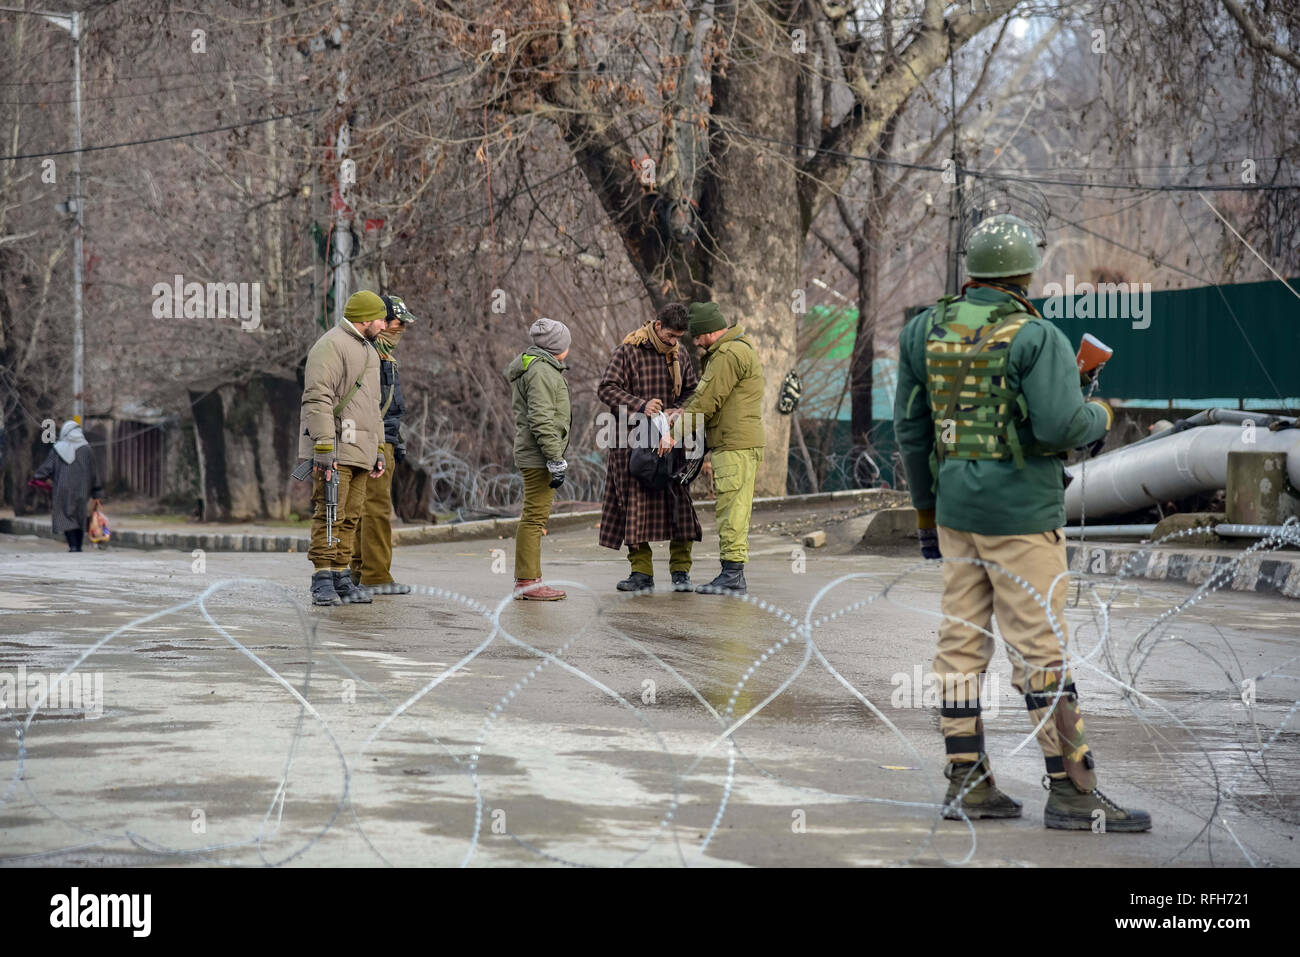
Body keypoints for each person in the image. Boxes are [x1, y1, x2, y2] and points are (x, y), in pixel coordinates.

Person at [893, 213, 1151, 832]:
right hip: (1023, 516)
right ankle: (1073, 791)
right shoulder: (1037, 337)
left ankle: (968, 783)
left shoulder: (923, 330)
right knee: (1041, 650)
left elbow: (911, 428)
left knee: (958, 646)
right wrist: (1098, 410)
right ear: (1024, 274)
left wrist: (928, 516)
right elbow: (1060, 427)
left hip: (956, 512)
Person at [597, 303, 702, 592]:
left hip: (672, 440)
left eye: (678, 337)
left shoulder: (679, 354)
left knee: (679, 505)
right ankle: (641, 573)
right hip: (632, 442)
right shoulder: (628, 351)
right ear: (657, 326)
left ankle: (681, 572)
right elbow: (606, 388)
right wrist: (641, 405)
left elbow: (693, 391)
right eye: (670, 335)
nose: (673, 342)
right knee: (636, 507)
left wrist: (676, 411)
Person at [663, 301, 764, 595]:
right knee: (736, 508)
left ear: (708, 332)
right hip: (740, 442)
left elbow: (706, 401)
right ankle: (733, 573)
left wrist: (672, 434)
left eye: (696, 336)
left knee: (731, 509)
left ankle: (732, 575)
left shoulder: (728, 355)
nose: (694, 342)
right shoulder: (736, 349)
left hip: (734, 444)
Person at [299, 290, 388, 606]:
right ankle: (321, 577)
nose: (385, 324)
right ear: (365, 318)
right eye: (380, 318)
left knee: (351, 516)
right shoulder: (331, 345)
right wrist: (324, 446)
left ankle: (340, 575)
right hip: (335, 447)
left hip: (361, 450)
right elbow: (317, 397)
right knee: (329, 512)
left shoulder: (370, 352)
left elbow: (374, 408)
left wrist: (378, 449)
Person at [350, 295, 416, 596]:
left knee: (365, 507)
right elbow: (373, 405)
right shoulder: (371, 355)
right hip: (373, 440)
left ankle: (359, 570)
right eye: (396, 324)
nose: (399, 331)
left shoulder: (380, 355)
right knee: (375, 508)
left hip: (381, 438)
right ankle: (375, 575)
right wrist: (384, 443)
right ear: (381, 322)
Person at [506, 317, 572, 600]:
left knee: (533, 517)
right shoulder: (543, 371)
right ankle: (529, 583)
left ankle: (530, 579)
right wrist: (555, 458)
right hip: (538, 456)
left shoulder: (536, 367)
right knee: (534, 518)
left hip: (535, 454)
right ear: (558, 346)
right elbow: (542, 420)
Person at [33, 420, 103, 552]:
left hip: (62, 489)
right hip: (83, 490)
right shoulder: (87, 449)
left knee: (66, 517)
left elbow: (47, 468)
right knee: (79, 516)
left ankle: (73, 545)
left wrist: (38, 477)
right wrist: (97, 493)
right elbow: (94, 473)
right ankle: (78, 546)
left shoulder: (58, 449)